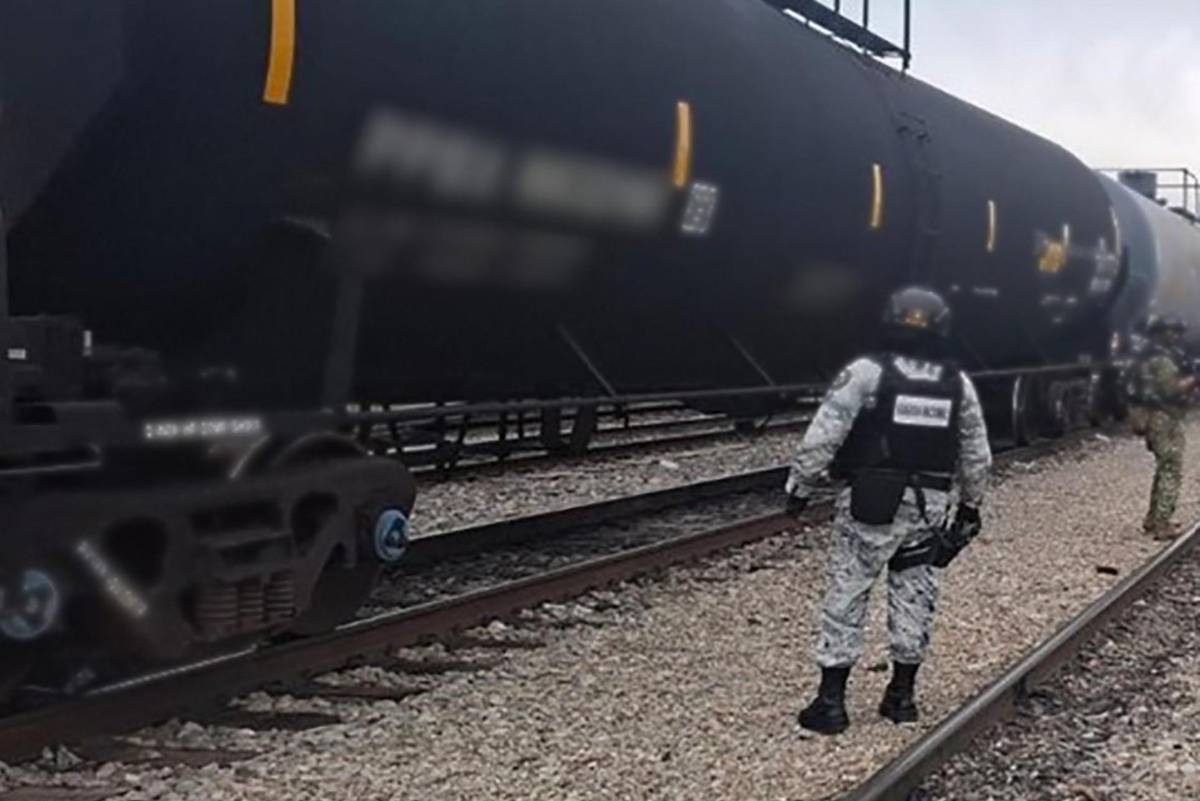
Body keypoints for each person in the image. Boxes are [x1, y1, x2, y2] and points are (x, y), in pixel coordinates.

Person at [784, 286, 992, 735]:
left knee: (849, 590)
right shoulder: (958, 384)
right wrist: (970, 507)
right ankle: (901, 697)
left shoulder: (867, 372)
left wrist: (800, 486)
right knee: (915, 593)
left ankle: (831, 703)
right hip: (929, 507)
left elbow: (824, 433)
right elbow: (976, 455)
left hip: (870, 502)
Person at [1135, 315, 1194, 540]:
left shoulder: (1149, 355)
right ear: (1160, 334)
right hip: (1164, 417)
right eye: (1171, 331)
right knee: (1171, 468)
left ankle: (1153, 518)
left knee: (1163, 468)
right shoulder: (1162, 360)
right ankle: (1162, 524)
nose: (1176, 336)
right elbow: (1171, 389)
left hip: (1156, 416)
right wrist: (1193, 380)